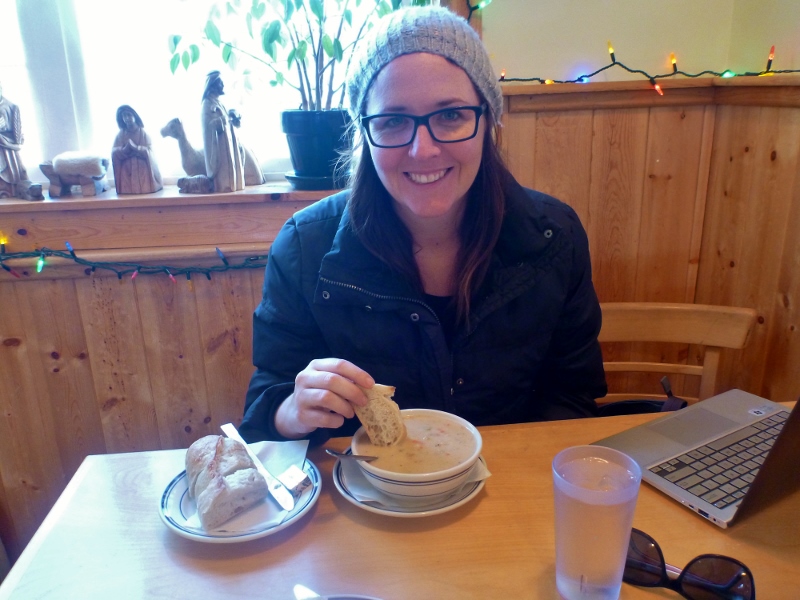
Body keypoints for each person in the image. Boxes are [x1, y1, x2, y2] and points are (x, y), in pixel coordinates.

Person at [241, 7, 607, 443]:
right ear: (364, 132)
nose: (423, 150)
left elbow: (573, 394)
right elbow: (262, 420)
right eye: (393, 120)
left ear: (487, 119)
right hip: (367, 495)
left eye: (450, 115)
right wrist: (292, 412)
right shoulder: (304, 247)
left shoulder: (554, 237)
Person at [201, 71, 244, 193]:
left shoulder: (218, 103)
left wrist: (232, 115)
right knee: (225, 180)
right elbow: (210, 126)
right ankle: (224, 185)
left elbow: (226, 120)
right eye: (221, 83)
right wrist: (226, 119)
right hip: (220, 150)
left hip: (228, 147)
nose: (223, 85)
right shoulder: (207, 105)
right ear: (213, 85)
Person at [111, 105, 163, 195]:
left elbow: (151, 152)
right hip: (127, 172)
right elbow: (114, 152)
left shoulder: (143, 134)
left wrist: (137, 149)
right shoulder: (121, 135)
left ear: (135, 116)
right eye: (124, 116)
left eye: (129, 115)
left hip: (142, 171)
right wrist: (123, 150)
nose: (127, 118)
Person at [0, 82, 32, 197]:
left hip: (6, 146)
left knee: (10, 174)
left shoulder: (11, 106)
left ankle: (10, 190)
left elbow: (16, 133)